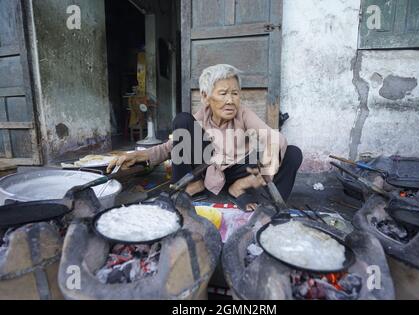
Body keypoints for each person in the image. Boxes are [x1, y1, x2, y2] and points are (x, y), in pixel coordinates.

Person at [107, 64, 302, 211]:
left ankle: (265, 206)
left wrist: (256, 175)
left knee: (293, 153)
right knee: (182, 120)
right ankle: (186, 189)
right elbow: (170, 146)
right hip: (210, 169)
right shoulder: (201, 116)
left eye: (235, 93)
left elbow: (276, 139)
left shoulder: (243, 114)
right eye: (223, 93)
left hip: (239, 171)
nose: (230, 100)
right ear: (205, 96)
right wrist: (137, 155)